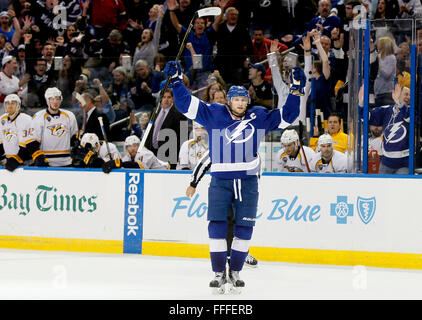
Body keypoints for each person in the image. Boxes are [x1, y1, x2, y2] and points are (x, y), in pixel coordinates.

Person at [163, 60, 305, 293]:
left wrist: (296, 90)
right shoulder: (214, 113)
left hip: (248, 181)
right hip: (220, 181)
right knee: (216, 227)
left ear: (247, 101)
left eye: (243, 100)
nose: (240, 103)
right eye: (236, 100)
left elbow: (287, 116)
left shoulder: (257, 117)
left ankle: (236, 271)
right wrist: (177, 82)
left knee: (244, 229)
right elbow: (186, 105)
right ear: (229, 101)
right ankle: (219, 273)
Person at [359, 83, 411, 174]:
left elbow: (408, 118)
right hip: (386, 163)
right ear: (396, 94)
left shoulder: (411, 111)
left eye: (410, 95)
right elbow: (365, 118)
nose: (409, 97)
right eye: (406, 94)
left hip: (404, 163)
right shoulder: (386, 110)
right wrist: (361, 103)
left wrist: (399, 104)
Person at [26, 87, 78, 167]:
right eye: (52, 99)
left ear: (61, 100)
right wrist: (38, 157)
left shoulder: (69, 116)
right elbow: (31, 141)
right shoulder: (39, 116)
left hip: (66, 162)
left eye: (57, 99)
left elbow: (74, 139)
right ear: (47, 101)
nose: (55, 102)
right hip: (46, 162)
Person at [144, 88, 188, 169]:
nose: (166, 100)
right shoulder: (155, 111)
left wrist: (180, 156)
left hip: (170, 156)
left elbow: (184, 137)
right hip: (153, 154)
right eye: (164, 97)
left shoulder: (180, 113)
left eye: (169, 97)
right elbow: (150, 132)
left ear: (173, 99)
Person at [0, 93, 32, 171]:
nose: (10, 106)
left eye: (13, 103)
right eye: (7, 103)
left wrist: (16, 160)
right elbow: (1, 142)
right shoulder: (2, 119)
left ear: (18, 106)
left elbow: (26, 145)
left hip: (25, 162)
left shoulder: (26, 119)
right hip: (8, 161)